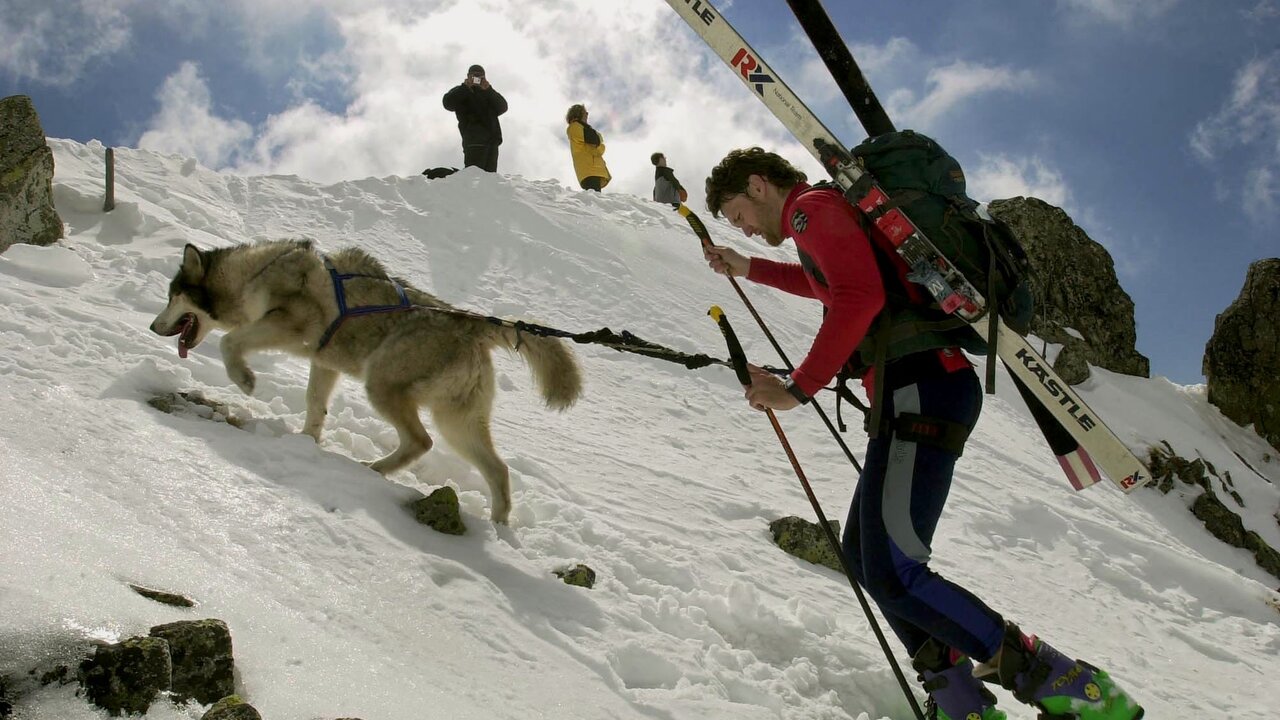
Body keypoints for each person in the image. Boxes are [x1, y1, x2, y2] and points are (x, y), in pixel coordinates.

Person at [700, 147, 1143, 720]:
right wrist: (749, 267)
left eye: (739, 215)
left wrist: (800, 388)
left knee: (894, 567)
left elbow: (860, 297)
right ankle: (958, 697)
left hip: (921, 388)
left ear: (759, 186)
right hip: (914, 391)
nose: (746, 229)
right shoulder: (824, 216)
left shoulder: (810, 211)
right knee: (867, 558)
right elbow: (831, 284)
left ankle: (1064, 682)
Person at [441, 64, 508, 172]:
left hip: (492, 141)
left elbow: (503, 107)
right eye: (474, 75)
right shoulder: (461, 90)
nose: (477, 79)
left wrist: (488, 89)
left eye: (480, 76)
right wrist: (466, 87)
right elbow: (448, 103)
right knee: (474, 176)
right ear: (468, 76)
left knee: (489, 179)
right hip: (474, 140)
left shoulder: (488, 92)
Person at [565, 104, 610, 192]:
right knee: (594, 201)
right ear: (578, 114)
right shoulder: (575, 127)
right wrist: (598, 143)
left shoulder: (581, 127)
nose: (587, 114)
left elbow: (600, 147)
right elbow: (595, 139)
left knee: (595, 199)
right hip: (589, 170)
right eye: (585, 112)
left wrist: (599, 144)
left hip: (593, 169)